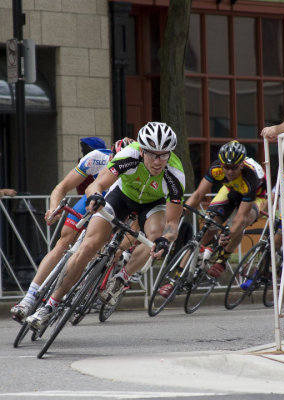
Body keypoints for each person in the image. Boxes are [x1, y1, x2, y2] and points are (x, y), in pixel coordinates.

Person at [26, 122, 185, 329]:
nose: (158, 161)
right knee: (88, 246)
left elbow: (172, 225)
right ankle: (50, 305)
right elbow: (97, 184)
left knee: (155, 235)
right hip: (122, 197)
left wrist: (166, 239)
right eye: (153, 154)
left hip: (152, 205)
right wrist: (95, 197)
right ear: (142, 149)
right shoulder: (129, 156)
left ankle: (123, 277)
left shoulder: (175, 175)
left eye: (164, 155)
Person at [10, 137, 128, 321]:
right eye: (115, 161)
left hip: (117, 206)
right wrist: (53, 208)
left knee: (90, 251)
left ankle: (71, 290)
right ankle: (28, 298)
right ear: (111, 155)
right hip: (95, 197)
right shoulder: (96, 157)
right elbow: (62, 187)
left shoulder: (138, 174)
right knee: (63, 242)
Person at [159, 140, 266, 298]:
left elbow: (240, 217)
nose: (229, 172)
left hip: (256, 196)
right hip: (231, 189)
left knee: (242, 222)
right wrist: (179, 214)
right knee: (208, 225)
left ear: (241, 165)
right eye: (226, 167)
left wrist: (228, 233)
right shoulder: (216, 168)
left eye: (234, 168)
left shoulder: (250, 177)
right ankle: (175, 280)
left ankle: (222, 259)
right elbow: (197, 196)